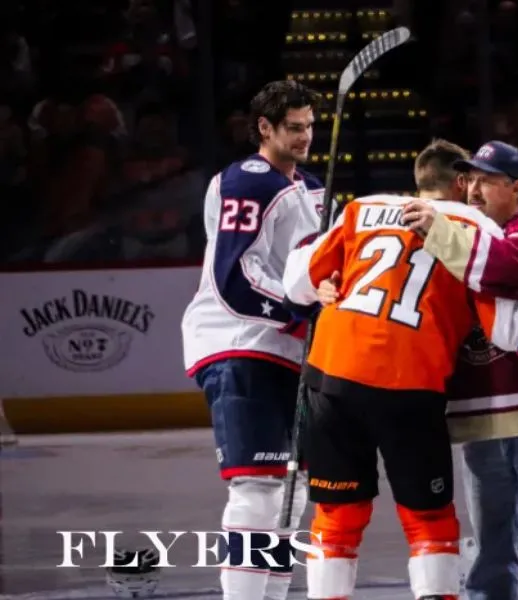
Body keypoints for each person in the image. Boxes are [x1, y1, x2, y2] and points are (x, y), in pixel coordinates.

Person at [280, 142, 518, 600]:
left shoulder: (362, 208)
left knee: (336, 518)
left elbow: (297, 284)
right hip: (409, 380)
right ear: (460, 183)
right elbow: (508, 333)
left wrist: (326, 284)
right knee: (429, 519)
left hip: (332, 372)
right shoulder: (477, 225)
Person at [401, 140, 518, 600]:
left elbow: (502, 264)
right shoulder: (457, 231)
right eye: (470, 178)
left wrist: (441, 230)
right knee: (490, 552)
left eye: (488, 180)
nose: (474, 189)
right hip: (478, 419)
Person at [180, 80, 324, 600]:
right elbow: (233, 277)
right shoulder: (249, 181)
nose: (305, 136)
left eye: (309, 125)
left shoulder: (310, 188)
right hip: (243, 343)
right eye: (294, 127)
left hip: (288, 353)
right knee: (259, 489)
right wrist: (301, 310)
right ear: (264, 128)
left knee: (290, 494)